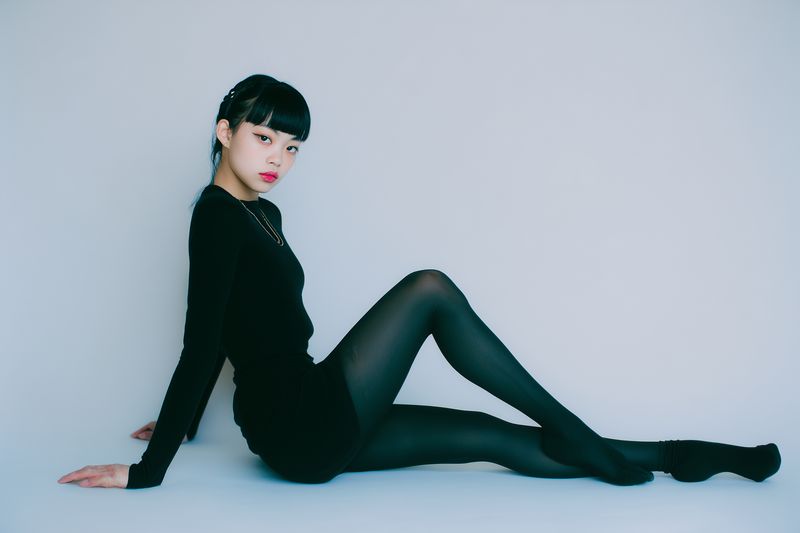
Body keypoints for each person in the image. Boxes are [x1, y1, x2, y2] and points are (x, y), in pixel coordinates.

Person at [58, 74, 781, 490]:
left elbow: (239, 324)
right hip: (298, 424)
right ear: (224, 130)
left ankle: (683, 456)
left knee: (492, 438)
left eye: (292, 144)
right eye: (263, 136)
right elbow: (203, 338)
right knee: (428, 287)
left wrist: (184, 423)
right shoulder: (215, 217)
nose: (279, 155)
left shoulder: (263, 212)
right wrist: (150, 467)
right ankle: (590, 440)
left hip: (309, 423)